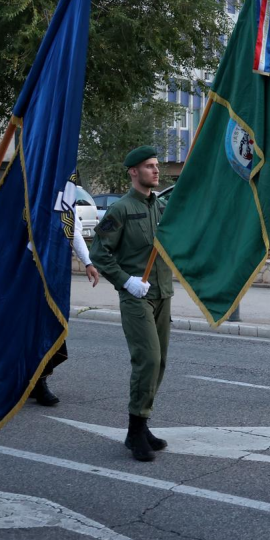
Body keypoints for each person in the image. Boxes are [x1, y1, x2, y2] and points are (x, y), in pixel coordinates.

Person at [89, 146, 173, 462]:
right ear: (133, 172)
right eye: (149, 166)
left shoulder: (161, 207)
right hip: (136, 296)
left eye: (156, 166)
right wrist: (126, 281)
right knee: (148, 359)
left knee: (160, 362)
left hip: (163, 292)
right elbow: (99, 253)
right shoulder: (120, 210)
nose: (155, 171)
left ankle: (142, 425)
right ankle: (135, 429)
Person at [28, 207, 100, 406]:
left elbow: (73, 231)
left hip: (54, 274)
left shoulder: (65, 197)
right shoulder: (30, 191)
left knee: (47, 327)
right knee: (27, 329)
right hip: (26, 271)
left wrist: (87, 262)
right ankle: (28, 380)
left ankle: (38, 379)